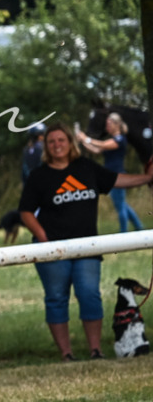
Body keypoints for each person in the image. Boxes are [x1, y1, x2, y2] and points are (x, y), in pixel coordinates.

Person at [19, 123, 153, 360]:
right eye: (52, 142)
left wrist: (146, 178)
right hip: (53, 250)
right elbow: (26, 211)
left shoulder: (85, 168)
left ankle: (95, 350)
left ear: (70, 143)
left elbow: (116, 180)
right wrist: (42, 237)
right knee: (56, 298)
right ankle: (66, 353)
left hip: (88, 247)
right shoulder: (39, 176)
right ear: (46, 147)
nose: (57, 145)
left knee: (89, 294)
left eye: (61, 140)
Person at [76, 113, 144, 232]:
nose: (107, 126)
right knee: (122, 204)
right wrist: (83, 141)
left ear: (116, 124)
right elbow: (97, 150)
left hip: (117, 175)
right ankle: (138, 226)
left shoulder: (120, 139)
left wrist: (86, 138)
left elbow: (102, 144)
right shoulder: (112, 140)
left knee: (120, 205)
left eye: (109, 123)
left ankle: (123, 232)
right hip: (111, 175)